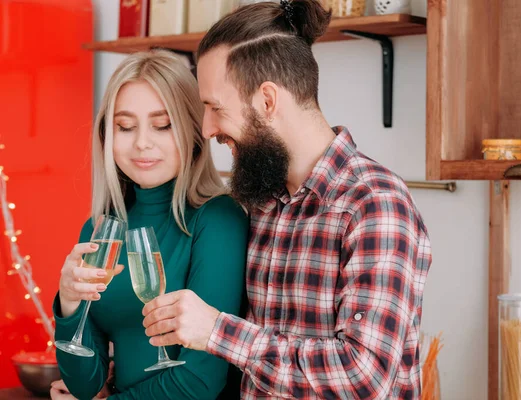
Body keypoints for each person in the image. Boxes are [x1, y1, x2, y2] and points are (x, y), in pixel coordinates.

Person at [142, 0, 433, 398]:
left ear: (267, 101)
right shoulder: (261, 200)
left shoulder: (374, 204)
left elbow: (363, 376)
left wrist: (217, 331)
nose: (207, 128)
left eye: (215, 108)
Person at [50, 50, 248, 400]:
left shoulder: (218, 219)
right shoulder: (100, 230)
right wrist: (68, 305)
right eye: (125, 127)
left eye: (162, 125)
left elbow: (200, 383)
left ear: (192, 129)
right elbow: (85, 385)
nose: (142, 142)